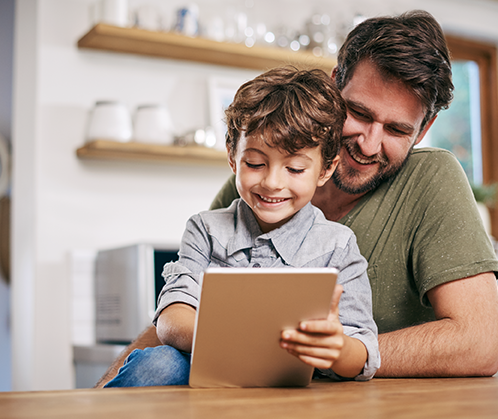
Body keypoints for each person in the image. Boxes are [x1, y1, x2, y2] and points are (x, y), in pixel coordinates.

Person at [210, 10, 498, 378]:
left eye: (397, 129)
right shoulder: (263, 184)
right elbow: (190, 310)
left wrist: (342, 354)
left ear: (424, 128)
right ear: (334, 87)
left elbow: (479, 342)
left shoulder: (432, 178)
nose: (369, 144)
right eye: (359, 113)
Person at [104, 67, 380, 387]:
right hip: (209, 375)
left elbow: (363, 352)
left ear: (325, 170)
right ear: (233, 158)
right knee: (159, 364)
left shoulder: (337, 245)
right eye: (255, 164)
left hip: (296, 387)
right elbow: (171, 319)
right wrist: (245, 338)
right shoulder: (206, 230)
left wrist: (337, 348)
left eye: (294, 168)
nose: (272, 182)